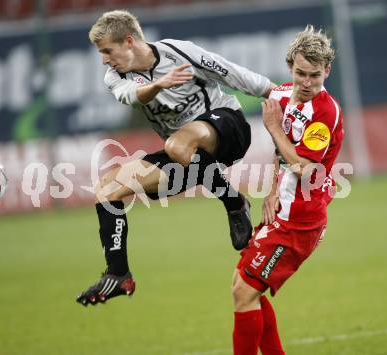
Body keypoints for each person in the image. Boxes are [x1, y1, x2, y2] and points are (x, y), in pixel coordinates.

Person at [76, 10, 275, 306]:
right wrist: (158, 85)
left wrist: (278, 92)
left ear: (129, 41)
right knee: (107, 189)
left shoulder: (180, 52)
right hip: (186, 156)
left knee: (178, 144)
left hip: (229, 128)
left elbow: (229, 72)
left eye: (107, 51)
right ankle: (119, 274)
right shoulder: (115, 76)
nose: (104, 59)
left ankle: (233, 204)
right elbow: (131, 95)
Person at [231, 25, 344, 354]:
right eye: (300, 74)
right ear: (290, 68)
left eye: (315, 76)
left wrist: (272, 128)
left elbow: (305, 167)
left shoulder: (326, 112)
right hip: (280, 212)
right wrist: (271, 187)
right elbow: (284, 152)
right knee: (244, 287)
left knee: (244, 292)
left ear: (327, 71)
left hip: (300, 222)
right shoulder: (281, 95)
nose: (306, 83)